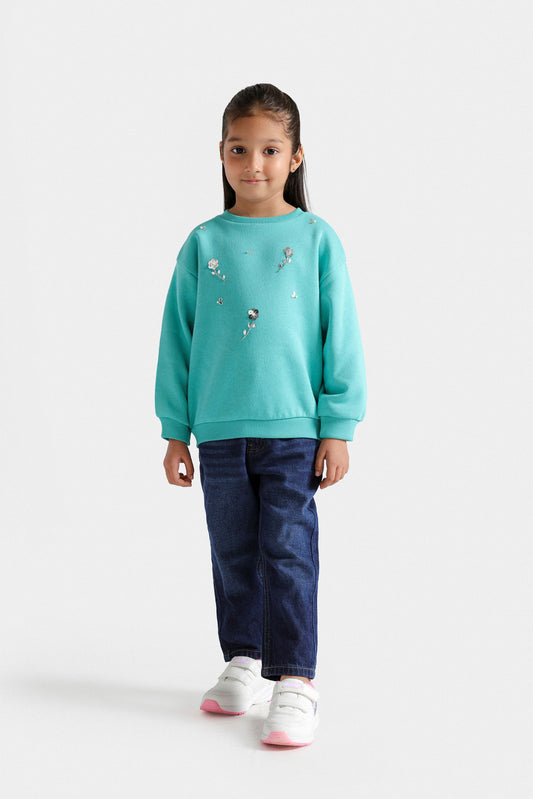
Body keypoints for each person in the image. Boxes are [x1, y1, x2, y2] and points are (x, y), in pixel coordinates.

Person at [154, 83, 367, 747]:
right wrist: (174, 430)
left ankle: (295, 679)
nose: (254, 163)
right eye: (239, 149)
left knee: (288, 552)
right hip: (219, 433)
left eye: (270, 149)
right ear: (221, 154)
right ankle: (243, 658)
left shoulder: (315, 238)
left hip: (293, 432)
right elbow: (177, 339)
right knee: (232, 551)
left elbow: (341, 335)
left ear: (296, 157)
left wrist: (337, 426)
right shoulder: (203, 242)